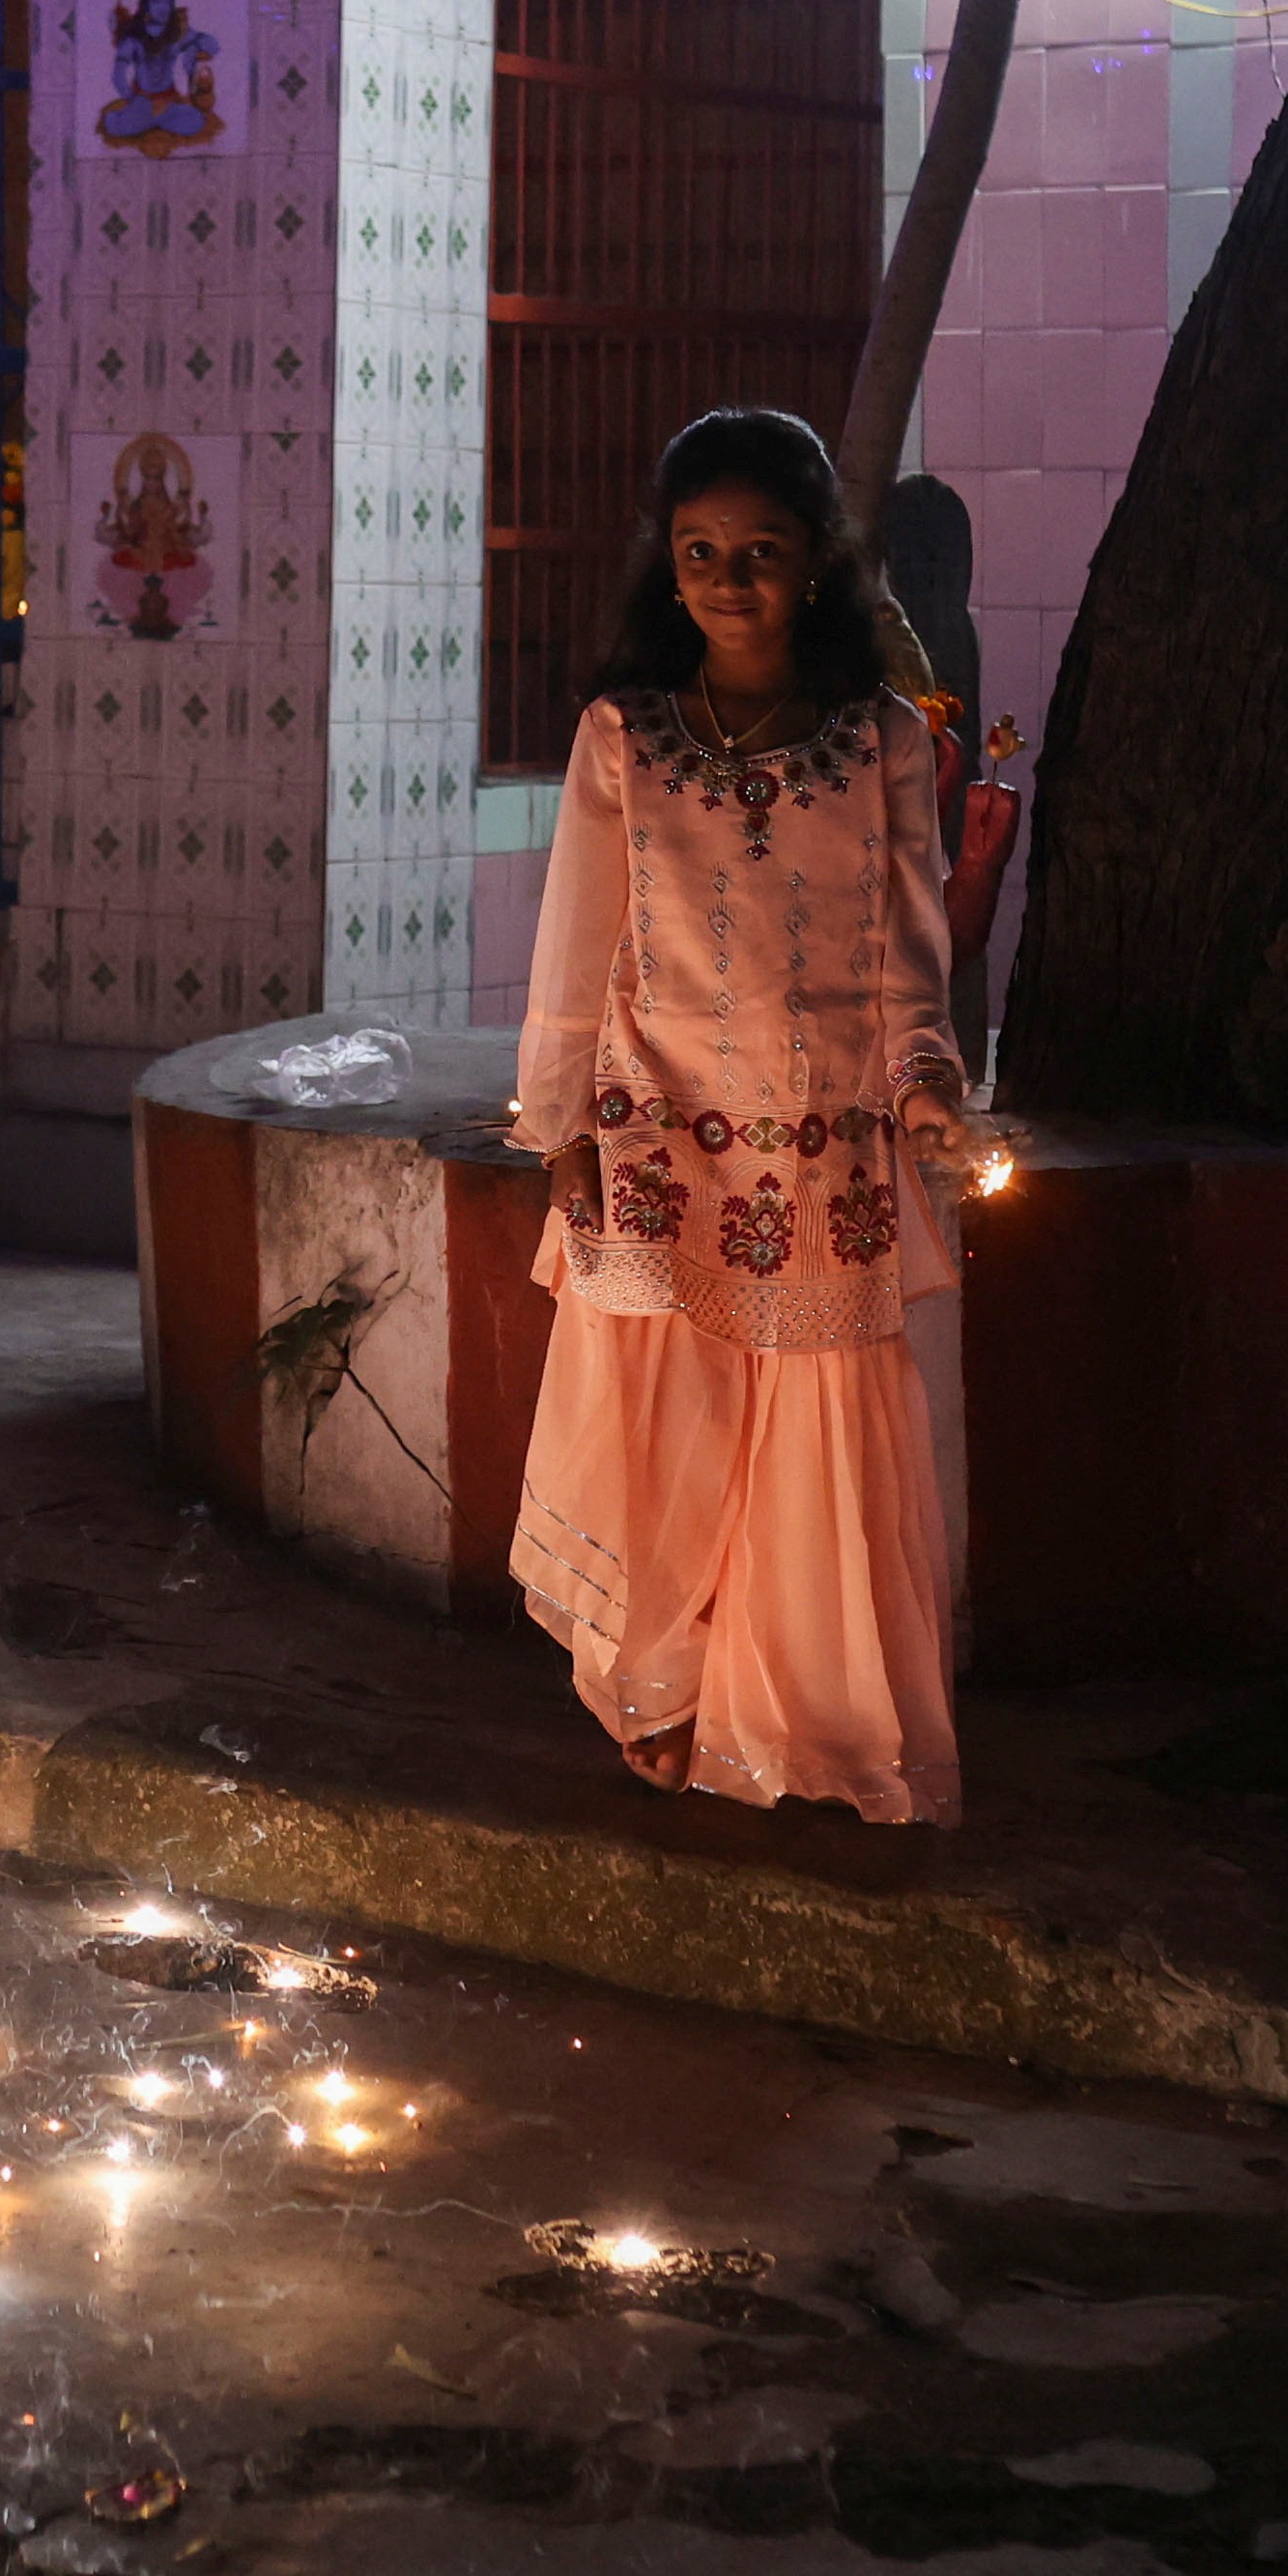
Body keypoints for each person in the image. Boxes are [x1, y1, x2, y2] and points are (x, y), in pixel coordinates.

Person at [505, 410, 979, 1824]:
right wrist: (562, 1125)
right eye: (701, 552)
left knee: (816, 1447)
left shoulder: (884, 742)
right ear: (669, 567)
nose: (727, 580)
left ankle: (810, 1726)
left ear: (817, 566)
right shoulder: (624, 739)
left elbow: (906, 953)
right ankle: (659, 1683)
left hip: (823, 1147)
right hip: (657, 1135)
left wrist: (928, 1085)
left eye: (760, 553)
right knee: (661, 1429)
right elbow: (577, 944)